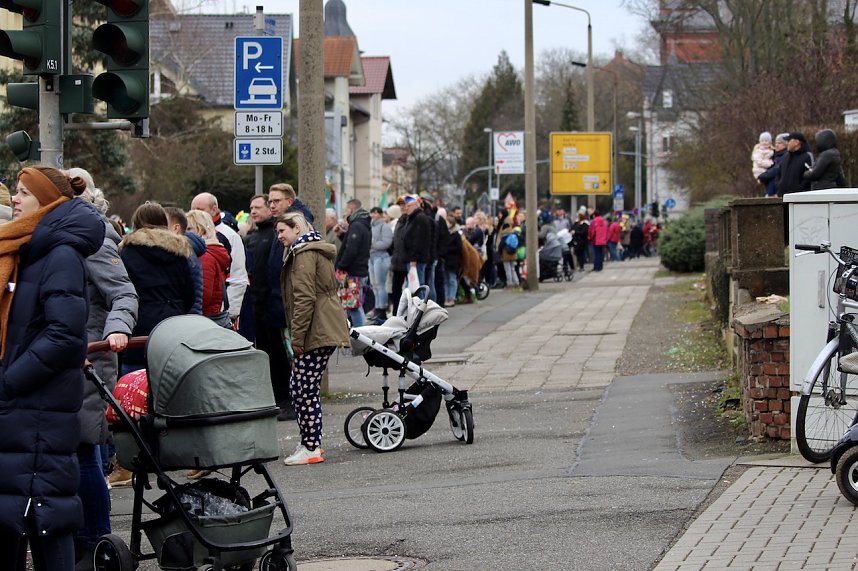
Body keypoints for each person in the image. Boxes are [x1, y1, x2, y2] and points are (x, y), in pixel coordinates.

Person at [0, 166, 105, 570]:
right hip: (21, 407)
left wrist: (10, 381)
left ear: (46, 201)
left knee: (46, 515)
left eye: (24, 192)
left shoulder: (59, 253)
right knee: (16, 511)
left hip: (38, 405)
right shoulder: (26, 247)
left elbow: (64, 334)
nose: (15, 198)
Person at [66, 167, 138, 565]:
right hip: (73, 353)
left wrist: (116, 330)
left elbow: (123, 293)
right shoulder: (67, 233)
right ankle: (86, 539)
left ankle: (94, 540)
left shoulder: (94, 235)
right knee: (80, 449)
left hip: (91, 355)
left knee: (84, 448)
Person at [276, 213, 350, 465]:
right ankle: (310, 442)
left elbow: (304, 298)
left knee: (303, 389)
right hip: (320, 326)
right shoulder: (307, 249)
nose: (279, 236)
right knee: (301, 387)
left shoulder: (303, 254)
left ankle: (311, 446)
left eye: (282, 231)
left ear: (297, 228)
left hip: (317, 328)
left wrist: (297, 336)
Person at [119, 203, 196, 374]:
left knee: (134, 379)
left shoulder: (127, 252)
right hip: (173, 325)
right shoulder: (179, 252)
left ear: (136, 224)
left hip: (138, 325)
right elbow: (189, 294)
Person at [190, 192, 249, 323]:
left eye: (200, 209)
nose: (195, 213)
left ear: (214, 209)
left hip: (218, 311)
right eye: (192, 209)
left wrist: (230, 313)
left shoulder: (230, 236)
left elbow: (238, 277)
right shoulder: (188, 235)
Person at [186, 210, 232, 328]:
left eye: (189, 228)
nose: (184, 233)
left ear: (201, 230)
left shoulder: (204, 256)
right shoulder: (209, 253)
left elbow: (203, 296)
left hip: (205, 319)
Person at [335, 198, 371, 327]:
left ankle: (361, 333)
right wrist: (342, 235)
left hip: (352, 272)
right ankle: (361, 331)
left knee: (353, 306)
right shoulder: (362, 223)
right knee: (354, 305)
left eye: (346, 210)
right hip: (358, 270)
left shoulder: (356, 225)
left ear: (351, 210)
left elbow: (351, 250)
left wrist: (341, 266)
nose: (346, 213)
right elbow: (353, 244)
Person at [368, 206, 393, 321]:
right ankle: (377, 308)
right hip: (371, 257)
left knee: (380, 284)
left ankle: (382, 309)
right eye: (372, 213)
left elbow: (387, 242)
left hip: (381, 257)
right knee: (374, 285)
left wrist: (372, 245)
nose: (373, 215)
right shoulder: (370, 226)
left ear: (380, 214)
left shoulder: (385, 226)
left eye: (375, 213)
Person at [775, 132, 814, 197]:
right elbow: (778, 173)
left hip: (799, 198)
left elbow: (811, 175)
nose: (787, 143)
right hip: (782, 196)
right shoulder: (785, 157)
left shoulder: (807, 156)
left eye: (789, 141)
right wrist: (779, 185)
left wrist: (800, 188)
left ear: (796, 142)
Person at [758, 133, 789, 197]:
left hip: (776, 190)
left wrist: (761, 177)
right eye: (776, 143)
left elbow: (775, 170)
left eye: (779, 143)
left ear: (786, 144)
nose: (776, 145)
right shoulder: (773, 155)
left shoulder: (785, 156)